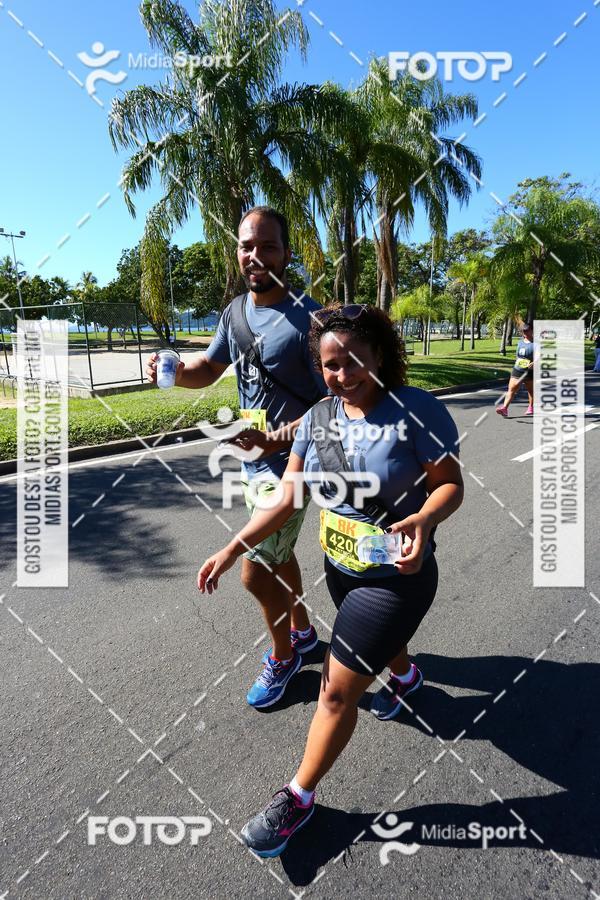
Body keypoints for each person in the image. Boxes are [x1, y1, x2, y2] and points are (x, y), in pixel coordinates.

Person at [197, 305, 464, 857]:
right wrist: (232, 546)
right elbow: (287, 495)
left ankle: (298, 798)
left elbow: (450, 484)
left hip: (398, 576)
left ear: (380, 357)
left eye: (351, 362)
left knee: (338, 690)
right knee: (380, 650)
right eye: (329, 365)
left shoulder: (418, 411)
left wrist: (424, 518)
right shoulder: (319, 418)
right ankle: (406, 677)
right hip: (340, 566)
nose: (340, 375)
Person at [146, 207, 327, 709]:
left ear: (287, 254)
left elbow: (330, 407)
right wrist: (178, 372)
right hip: (254, 462)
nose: (255, 255)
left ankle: (284, 654)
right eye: (248, 245)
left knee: (252, 569)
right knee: (278, 555)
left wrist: (274, 441)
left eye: (268, 246)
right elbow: (210, 366)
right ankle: (305, 631)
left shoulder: (310, 321)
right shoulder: (235, 313)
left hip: (293, 467)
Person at [496, 320, 537, 417]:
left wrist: (535, 362)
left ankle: (531, 407)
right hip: (518, 369)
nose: (525, 333)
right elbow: (517, 356)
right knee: (512, 389)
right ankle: (504, 408)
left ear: (532, 331)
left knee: (531, 391)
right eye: (524, 331)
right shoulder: (520, 343)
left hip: (529, 372)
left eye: (527, 331)